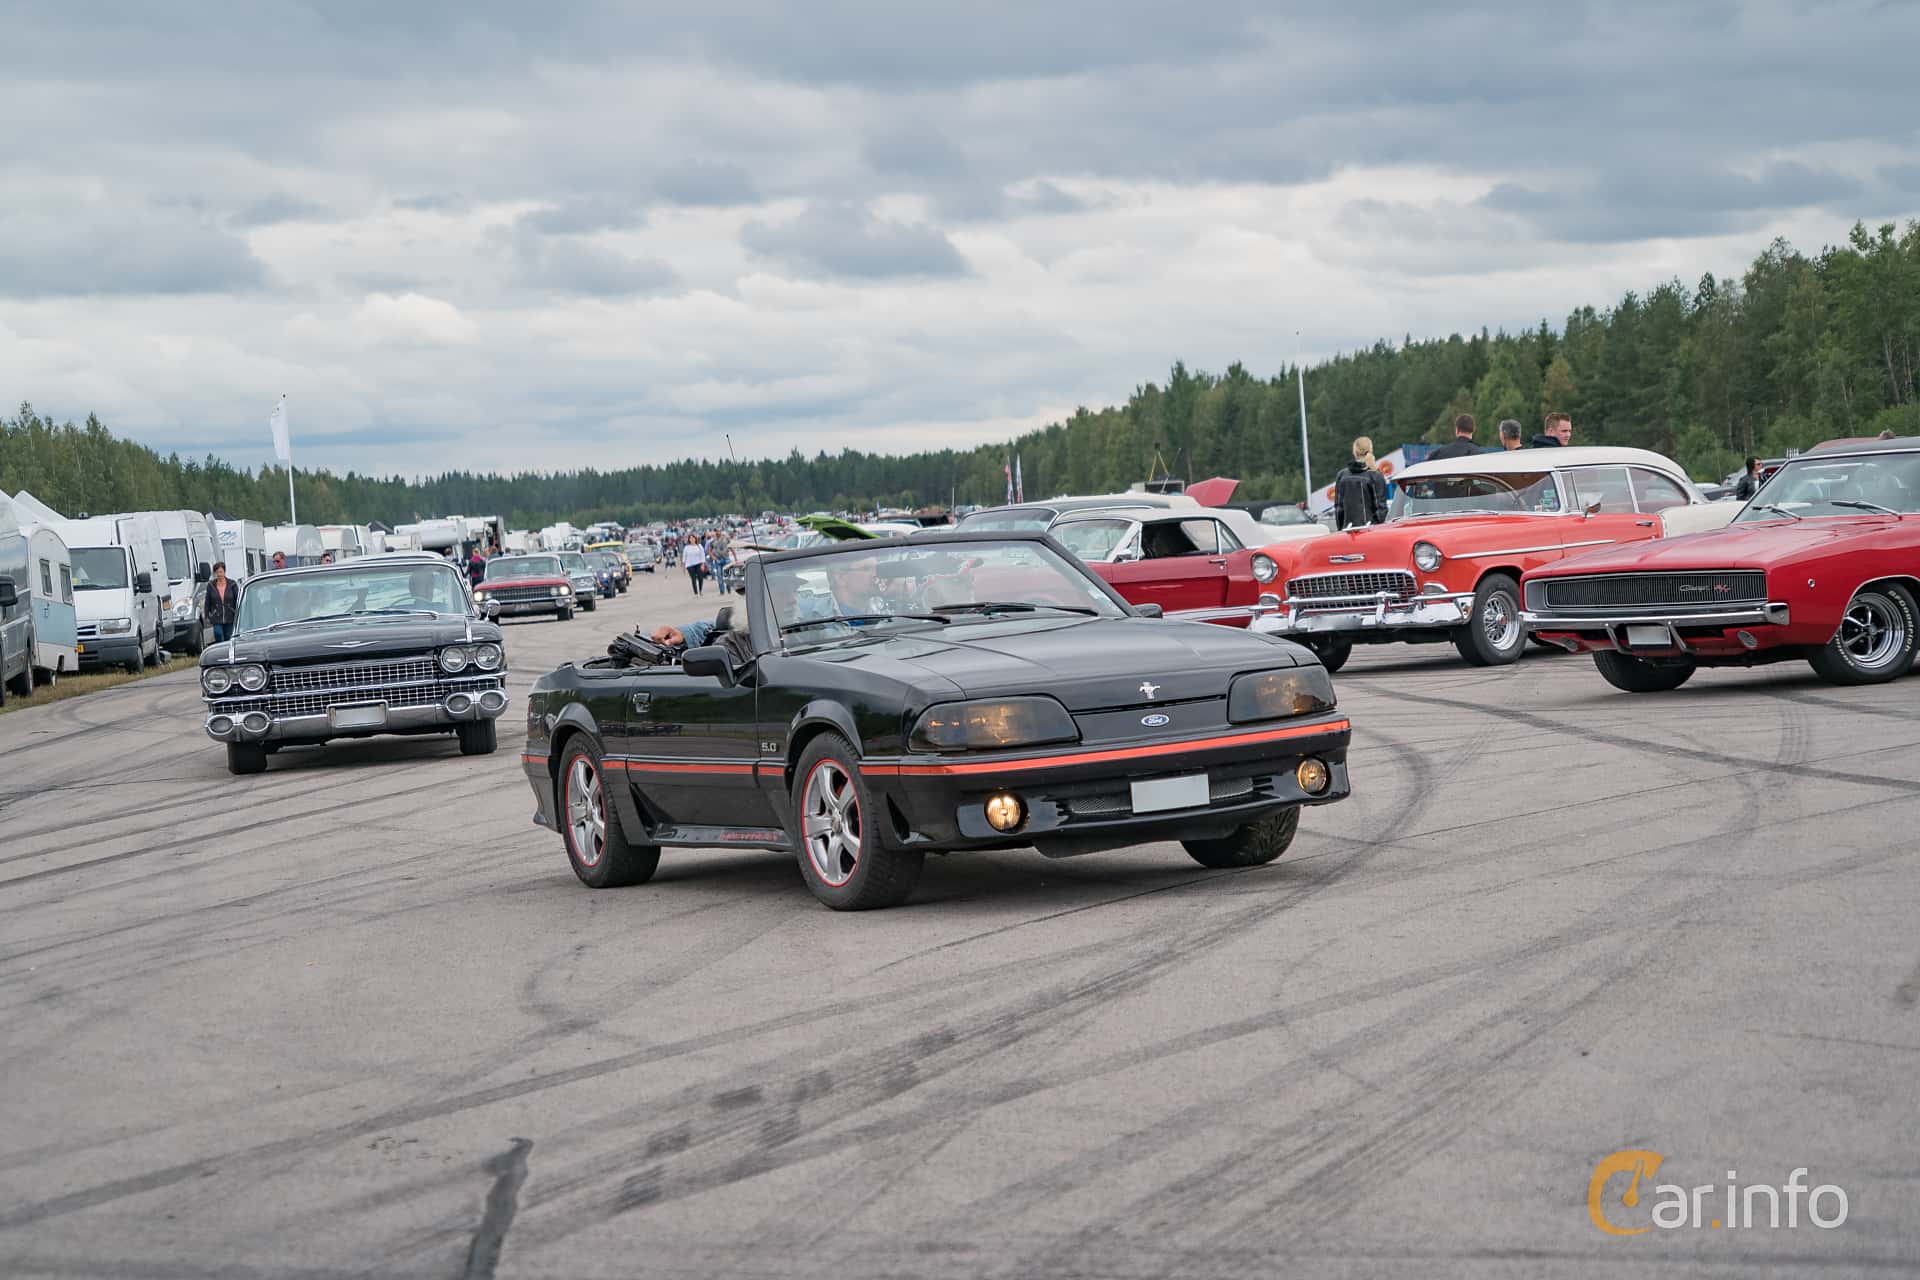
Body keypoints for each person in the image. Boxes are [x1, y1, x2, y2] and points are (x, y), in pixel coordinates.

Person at [1333, 436, 1390, 529]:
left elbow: (1339, 509)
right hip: (1370, 531)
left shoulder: (1342, 476)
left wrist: (1341, 529)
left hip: (1347, 531)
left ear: (1354, 452)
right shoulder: (1375, 475)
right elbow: (1381, 510)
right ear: (1371, 451)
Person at [204, 562, 239, 643]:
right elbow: (207, 601)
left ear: (224, 571)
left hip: (230, 616)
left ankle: (227, 653)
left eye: (220, 572)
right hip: (216, 616)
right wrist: (207, 615)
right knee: (218, 633)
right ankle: (220, 650)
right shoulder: (211, 585)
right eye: (216, 572)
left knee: (228, 637)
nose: (219, 574)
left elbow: (237, 599)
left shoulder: (232, 584)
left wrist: (237, 613)